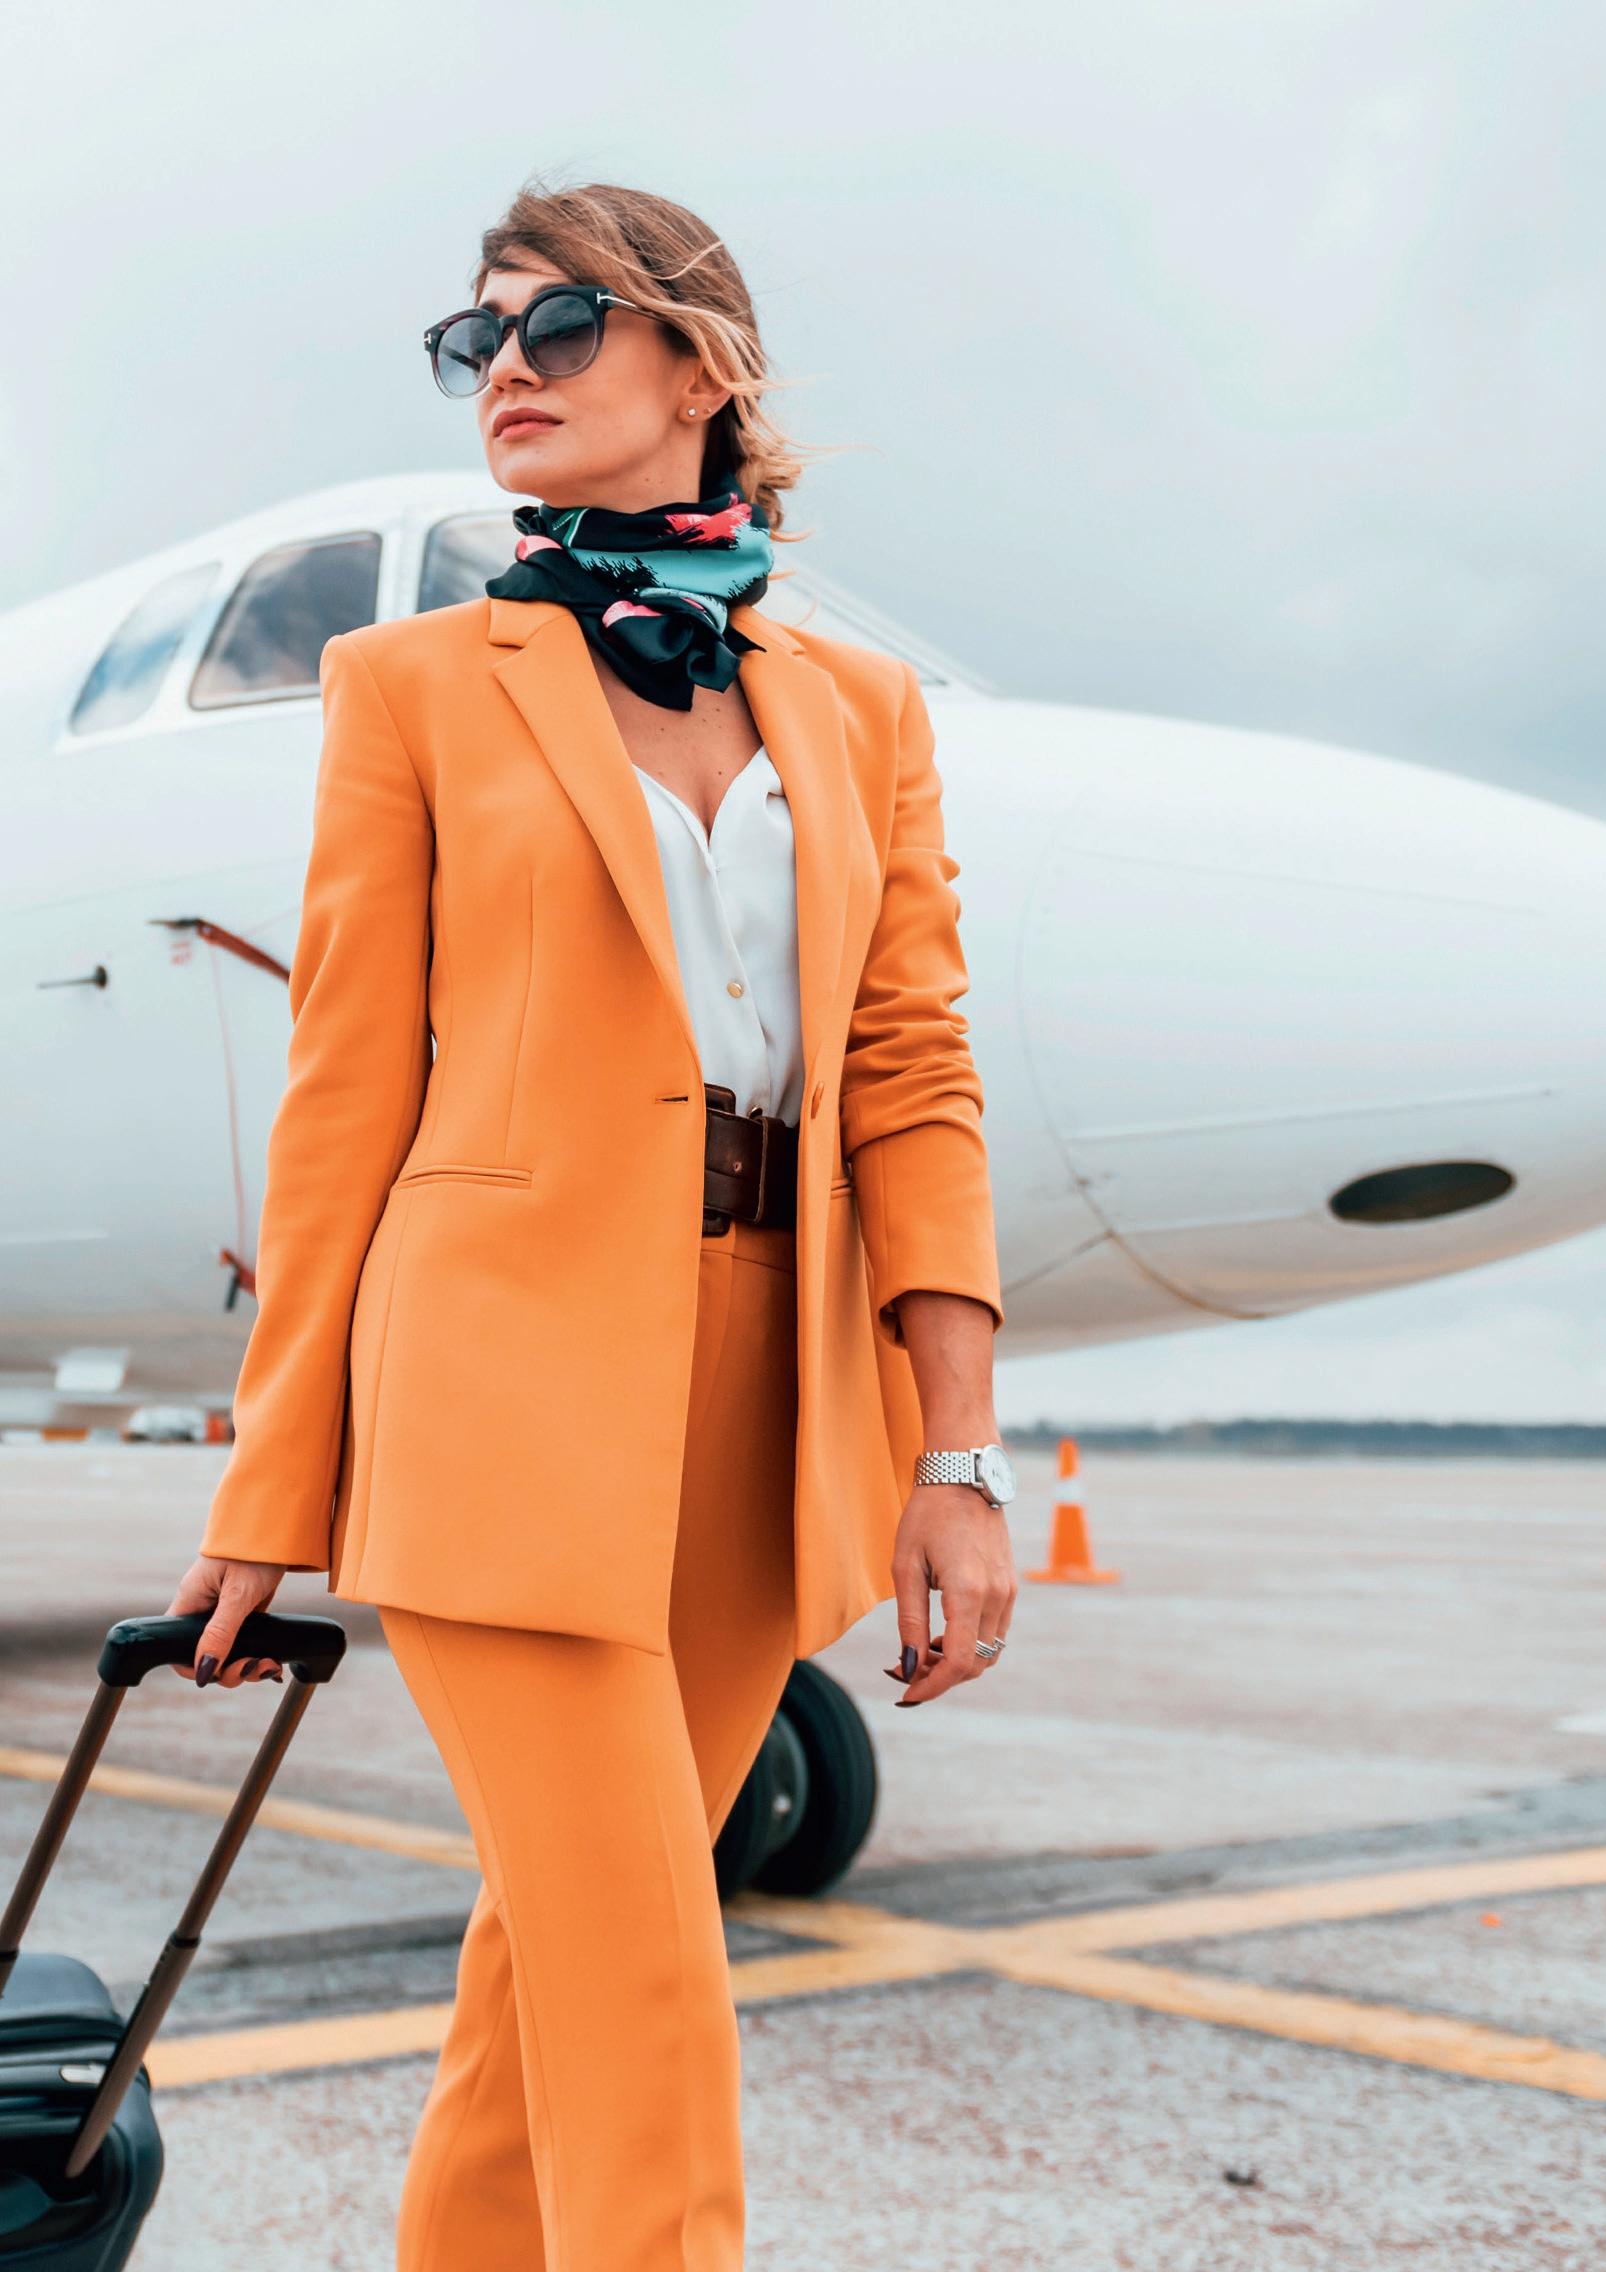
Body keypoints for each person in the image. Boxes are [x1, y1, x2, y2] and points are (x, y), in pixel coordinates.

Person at [164, 177, 1021, 2270]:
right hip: (493, 1381)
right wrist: (271, 1478)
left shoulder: (861, 711)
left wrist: (957, 1454)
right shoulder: (410, 685)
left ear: (698, 364)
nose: (503, 375)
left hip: (761, 1390)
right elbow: (342, 1097)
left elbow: (910, 1075)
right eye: (473, 342)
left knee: (544, 1977)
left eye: (553, 327)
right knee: (637, 1963)